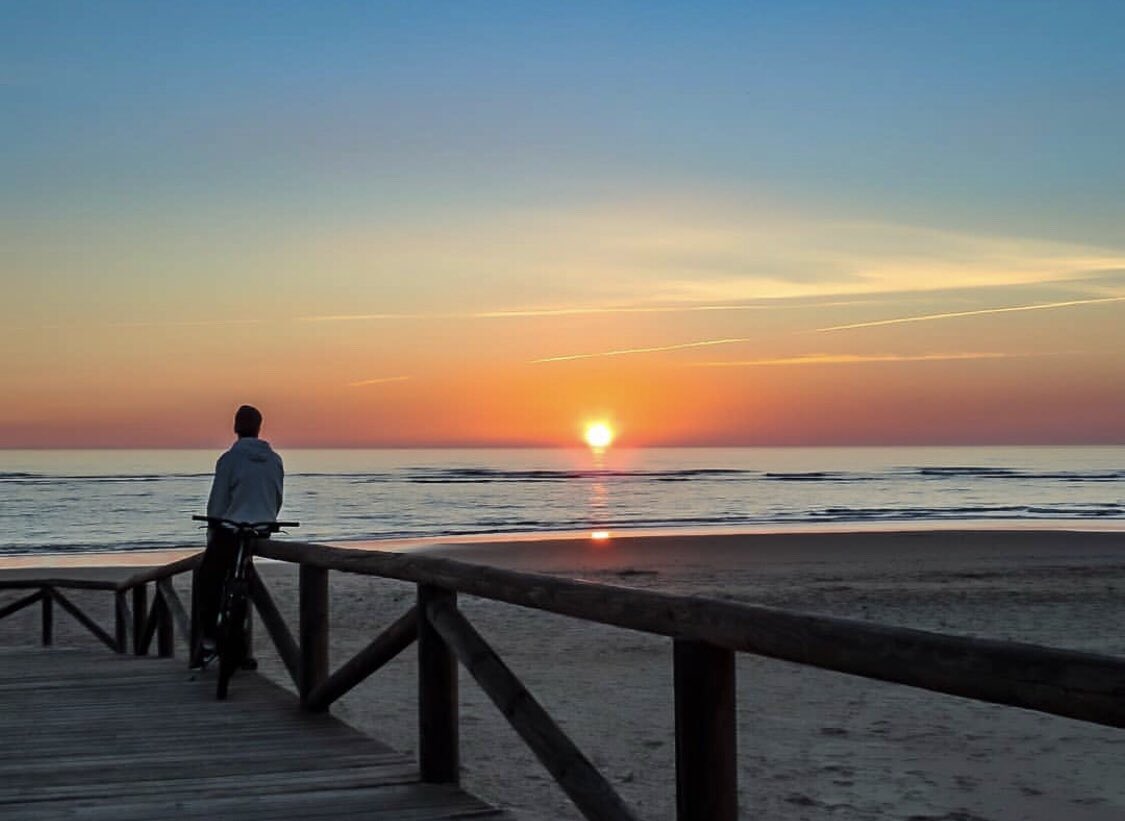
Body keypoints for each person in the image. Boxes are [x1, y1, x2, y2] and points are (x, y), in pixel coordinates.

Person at [196, 405, 284, 656]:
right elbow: (277, 496)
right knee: (242, 577)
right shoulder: (275, 459)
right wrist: (267, 517)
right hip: (263, 528)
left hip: (233, 528)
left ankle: (210, 637)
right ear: (259, 428)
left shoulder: (229, 459)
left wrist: (212, 531)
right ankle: (240, 647)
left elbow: (218, 502)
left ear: (236, 427)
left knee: (208, 576)